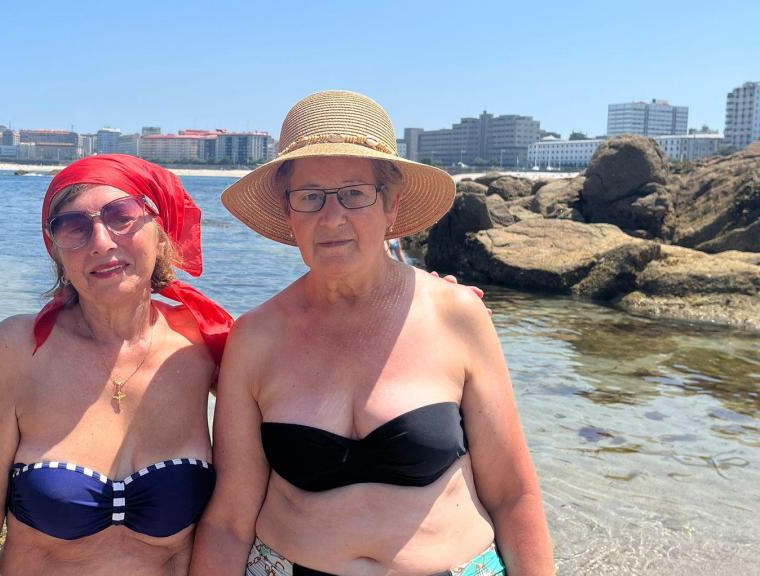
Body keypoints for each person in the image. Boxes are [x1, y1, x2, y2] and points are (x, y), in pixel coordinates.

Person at [190, 91, 554, 576]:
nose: (332, 217)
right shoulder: (255, 338)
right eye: (310, 197)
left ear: (391, 206)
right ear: (287, 214)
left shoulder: (458, 316)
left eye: (355, 194)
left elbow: (513, 495)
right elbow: (230, 520)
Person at [0, 155, 232, 575]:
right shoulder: (18, 350)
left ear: (161, 231)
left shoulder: (204, 348)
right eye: (74, 226)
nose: (101, 241)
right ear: (55, 249)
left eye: (123, 216)